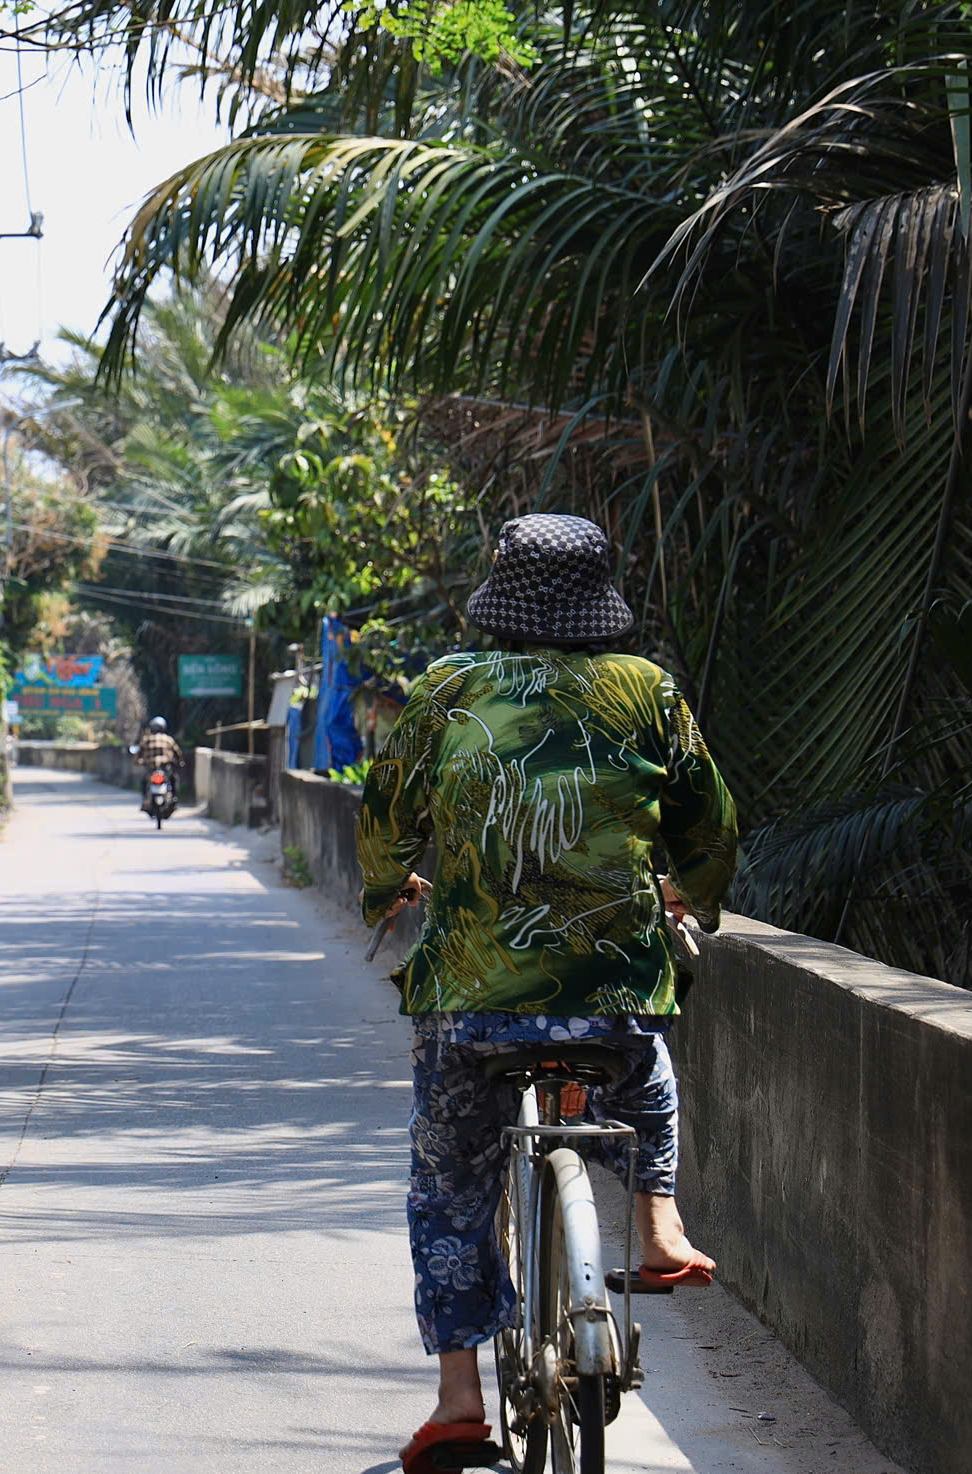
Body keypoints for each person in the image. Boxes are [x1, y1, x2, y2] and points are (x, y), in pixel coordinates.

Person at [356, 514, 738, 1473]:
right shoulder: (645, 690)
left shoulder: (449, 688)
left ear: (502, 596)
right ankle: (658, 1228)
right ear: (598, 597)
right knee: (647, 1071)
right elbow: (710, 823)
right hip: (610, 990)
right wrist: (690, 892)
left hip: (472, 999)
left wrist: (387, 886)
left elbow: (386, 814)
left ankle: (458, 1404)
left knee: (449, 1186)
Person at [134, 716, 181, 812]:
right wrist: (180, 761)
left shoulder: (146, 739)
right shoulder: (168, 739)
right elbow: (177, 752)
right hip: (165, 768)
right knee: (173, 779)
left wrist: (138, 761)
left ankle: (145, 800)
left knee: (144, 782)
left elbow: (139, 754)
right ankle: (175, 798)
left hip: (151, 769)